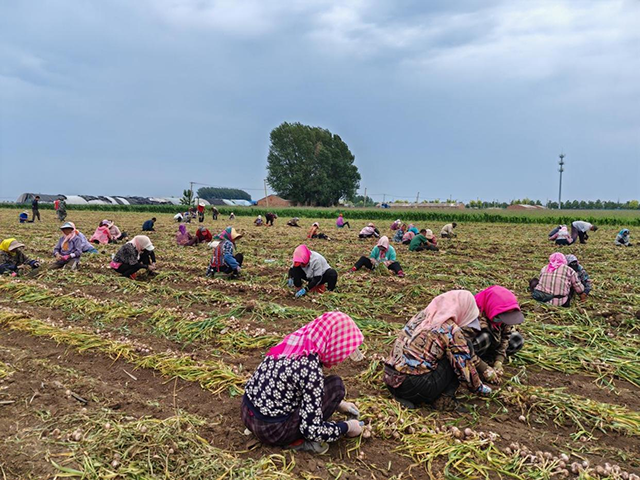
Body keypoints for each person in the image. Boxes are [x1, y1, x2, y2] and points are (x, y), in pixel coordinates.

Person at [242, 312, 365, 454]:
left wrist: (339, 405)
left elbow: (292, 385)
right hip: (272, 431)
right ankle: (299, 443)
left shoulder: (294, 344)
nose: (341, 359)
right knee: (336, 387)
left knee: (326, 388)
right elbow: (312, 430)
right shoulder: (310, 369)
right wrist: (347, 427)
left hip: (247, 414)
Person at [383, 290, 491, 410]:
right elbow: (464, 368)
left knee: (444, 351)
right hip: (414, 387)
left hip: (390, 380)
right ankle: (445, 400)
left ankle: (403, 396)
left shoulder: (421, 316)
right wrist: (480, 388)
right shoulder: (450, 329)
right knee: (461, 351)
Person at [465, 286, 525, 385]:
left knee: (516, 339)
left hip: (492, 344)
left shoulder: (504, 313)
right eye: (500, 317)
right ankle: (477, 362)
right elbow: (463, 347)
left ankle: (489, 360)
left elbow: (506, 336)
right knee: (485, 338)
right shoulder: (472, 314)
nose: (501, 320)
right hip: (472, 348)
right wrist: (483, 368)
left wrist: (499, 360)